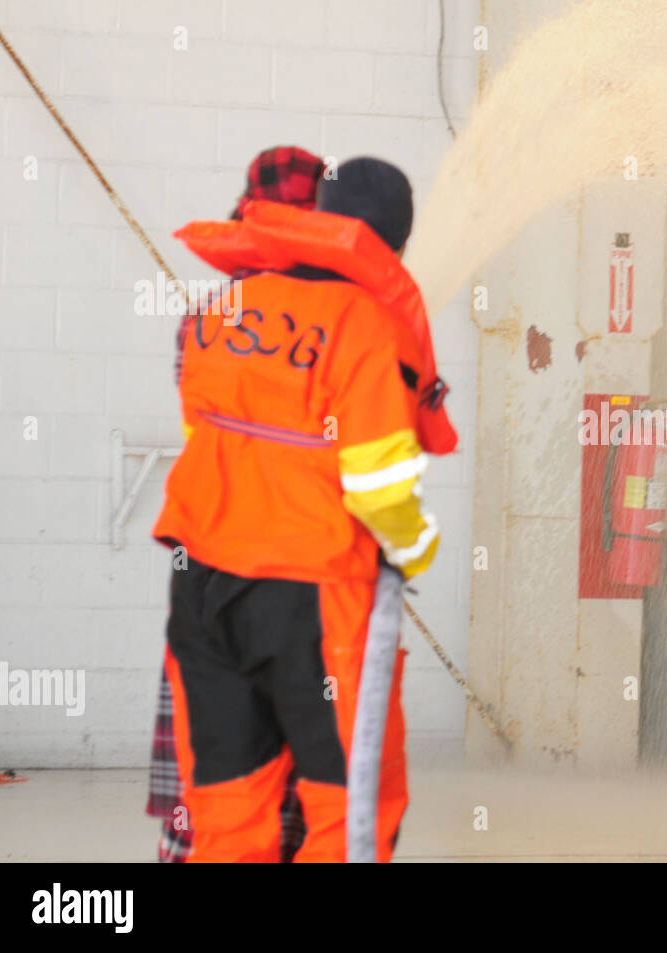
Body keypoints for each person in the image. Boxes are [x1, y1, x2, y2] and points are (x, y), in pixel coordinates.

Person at [154, 157, 447, 862]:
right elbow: (376, 488)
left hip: (202, 589)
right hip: (316, 598)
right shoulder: (371, 327)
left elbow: (203, 437)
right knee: (348, 811)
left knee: (227, 810)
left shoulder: (224, 310)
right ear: (396, 244)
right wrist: (419, 546)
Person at [148, 145, 324, 862]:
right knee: (306, 791)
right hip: (306, 588)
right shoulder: (345, 329)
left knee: (216, 779)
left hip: (210, 579)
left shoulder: (202, 324)